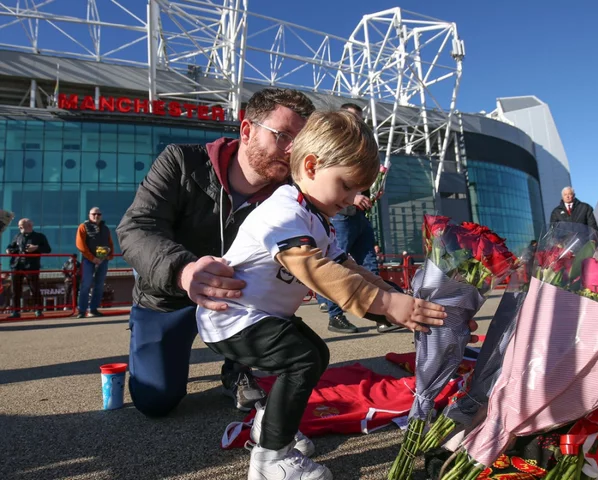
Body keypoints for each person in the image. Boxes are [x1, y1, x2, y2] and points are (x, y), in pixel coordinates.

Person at [196, 110, 448, 480]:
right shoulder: (284, 211)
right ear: (312, 166)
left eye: (358, 189)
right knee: (301, 359)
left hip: (257, 315)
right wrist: (392, 306)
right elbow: (318, 271)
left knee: (314, 353)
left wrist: (402, 304)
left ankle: (272, 424)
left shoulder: (315, 217)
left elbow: (350, 269)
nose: (352, 198)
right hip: (233, 318)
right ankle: (270, 459)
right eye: (346, 186)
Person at [116, 88, 315, 418]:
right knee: (155, 401)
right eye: (283, 136)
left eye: (300, 141)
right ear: (247, 130)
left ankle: (236, 368)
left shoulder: (289, 194)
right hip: (168, 295)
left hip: (239, 301)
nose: (292, 150)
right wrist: (184, 271)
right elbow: (137, 228)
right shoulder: (180, 161)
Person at [315, 102, 401, 334]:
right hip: (341, 217)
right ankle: (335, 316)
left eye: (361, 119)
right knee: (335, 266)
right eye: (353, 117)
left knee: (370, 265)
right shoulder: (332, 146)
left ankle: (382, 315)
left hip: (360, 217)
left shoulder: (360, 149)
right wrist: (352, 198)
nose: (358, 123)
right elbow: (323, 178)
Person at [5, 218, 52, 318]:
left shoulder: (39, 236)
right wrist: (9, 250)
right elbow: (10, 246)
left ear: (29, 225)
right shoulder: (17, 236)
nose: (19, 227)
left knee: (34, 288)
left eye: (21, 225)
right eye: (19, 225)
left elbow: (48, 249)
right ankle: (15, 311)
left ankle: (38, 310)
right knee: (15, 289)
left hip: (31, 266)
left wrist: (36, 248)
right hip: (17, 266)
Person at [75, 207, 114, 318]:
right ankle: (82, 310)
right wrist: (92, 258)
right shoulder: (83, 227)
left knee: (99, 285)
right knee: (86, 284)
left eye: (99, 214)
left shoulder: (105, 228)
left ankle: (93, 309)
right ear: (89, 215)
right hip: (88, 260)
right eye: (94, 214)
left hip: (103, 260)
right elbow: (80, 245)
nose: (96, 216)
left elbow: (110, 243)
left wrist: (109, 256)